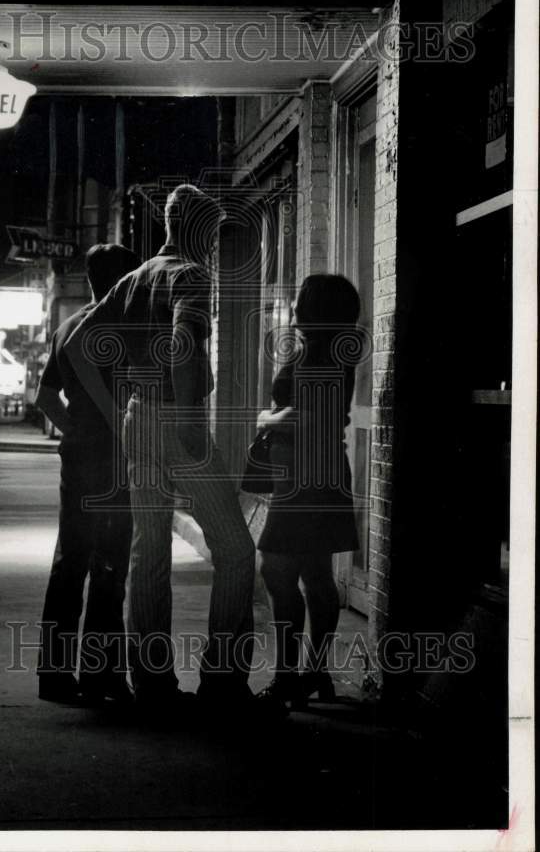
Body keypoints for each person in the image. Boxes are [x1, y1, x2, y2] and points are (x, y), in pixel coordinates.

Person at [64, 185, 260, 720]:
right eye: (213, 235)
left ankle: (152, 685)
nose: (215, 247)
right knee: (237, 550)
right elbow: (182, 343)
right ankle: (223, 681)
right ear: (196, 228)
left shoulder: (133, 279)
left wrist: (114, 409)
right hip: (177, 418)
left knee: (148, 550)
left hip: (136, 418)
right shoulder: (190, 277)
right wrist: (191, 416)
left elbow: (78, 345)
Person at [35, 243, 141, 705]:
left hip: (77, 457)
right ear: (124, 279)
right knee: (110, 564)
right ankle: (102, 675)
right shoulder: (123, 329)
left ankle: (54, 677)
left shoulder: (67, 329)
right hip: (117, 459)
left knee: (70, 561)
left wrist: (75, 428)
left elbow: (43, 399)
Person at [255, 273, 361, 708]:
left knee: (277, 570)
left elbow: (309, 417)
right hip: (313, 473)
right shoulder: (327, 352)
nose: (293, 306)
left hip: (305, 478)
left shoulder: (322, 356)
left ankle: (289, 678)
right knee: (315, 574)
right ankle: (314, 674)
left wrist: (266, 419)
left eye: (300, 300)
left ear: (316, 310)